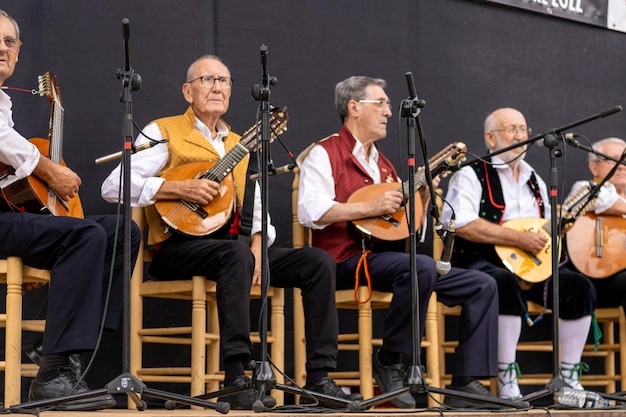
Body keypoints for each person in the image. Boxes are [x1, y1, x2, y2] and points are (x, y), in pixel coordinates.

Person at [101, 54, 361, 410]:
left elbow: (256, 210)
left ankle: (320, 377)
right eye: (207, 80)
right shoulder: (163, 131)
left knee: (316, 261)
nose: (217, 87)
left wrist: (257, 243)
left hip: (233, 247)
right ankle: (237, 374)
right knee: (235, 255)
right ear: (187, 91)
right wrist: (178, 189)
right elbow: (113, 185)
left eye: (224, 81)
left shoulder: (242, 145)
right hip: (177, 247)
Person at [297, 75, 499, 409]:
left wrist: (419, 200)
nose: (389, 112)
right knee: (418, 267)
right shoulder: (325, 152)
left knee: (482, 283)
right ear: (354, 107)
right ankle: (391, 359)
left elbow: (403, 230)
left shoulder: (387, 166)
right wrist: (369, 206)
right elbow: (310, 211)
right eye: (382, 104)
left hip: (392, 264)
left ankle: (465, 381)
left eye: (388, 105)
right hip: (344, 261)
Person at [0, 9, 140, 411]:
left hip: (12, 216)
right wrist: (50, 170)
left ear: (19, 52)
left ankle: (68, 353)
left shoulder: (5, 103)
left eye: (10, 41)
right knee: (85, 234)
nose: (2, 47)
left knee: (122, 233)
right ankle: (52, 377)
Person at [442, 107, 596, 400]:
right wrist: (516, 238)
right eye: (511, 129)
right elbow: (460, 223)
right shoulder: (471, 174)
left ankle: (570, 379)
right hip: (480, 259)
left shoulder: (535, 179)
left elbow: (544, 226)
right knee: (502, 283)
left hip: (530, 264)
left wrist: (560, 227)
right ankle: (507, 380)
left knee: (579, 287)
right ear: (490, 138)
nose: (520, 136)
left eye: (523, 129)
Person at [565, 137, 626, 313]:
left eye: (624, 159)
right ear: (594, 167)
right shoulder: (584, 188)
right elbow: (601, 201)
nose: (621, 165)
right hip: (595, 276)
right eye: (613, 160)